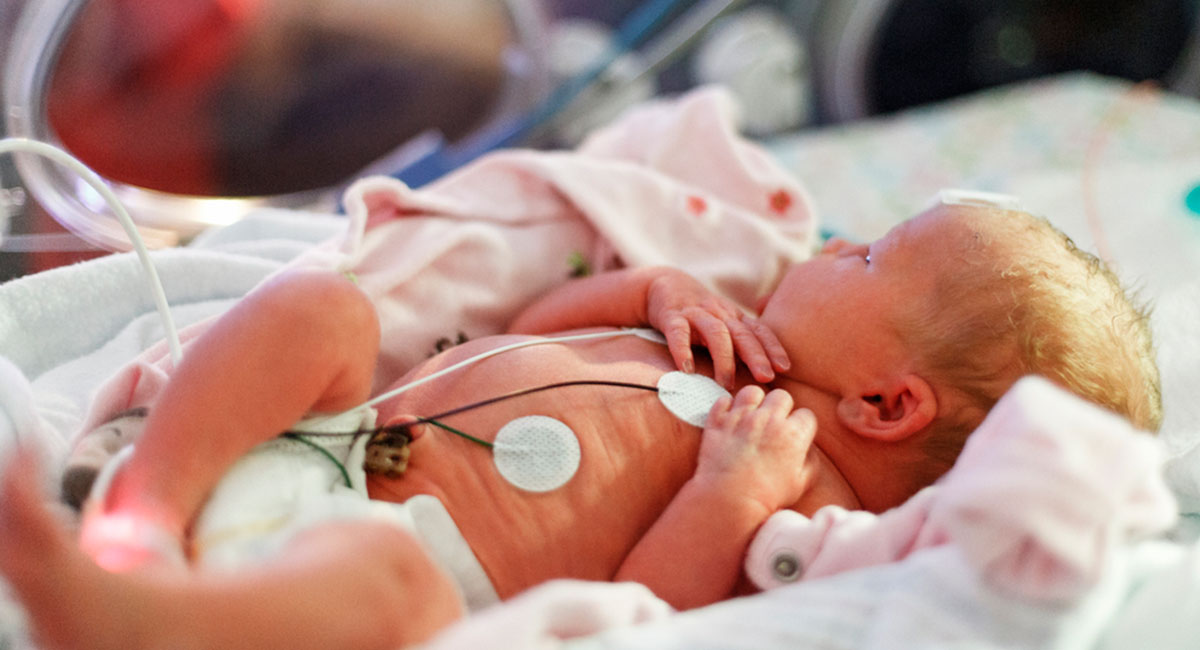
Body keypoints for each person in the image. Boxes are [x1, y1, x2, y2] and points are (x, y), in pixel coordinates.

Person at [0, 198, 1160, 650]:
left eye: (862, 255)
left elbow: (655, 612)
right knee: (324, 306)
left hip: (355, 562)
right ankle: (142, 509)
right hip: (325, 432)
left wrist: (727, 497)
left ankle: (144, 615)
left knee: (388, 588)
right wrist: (641, 288)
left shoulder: (804, 495)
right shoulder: (719, 336)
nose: (816, 250)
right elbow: (522, 325)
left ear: (888, 403)